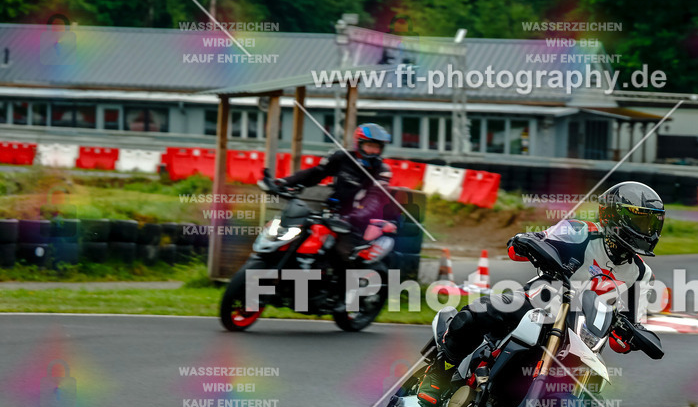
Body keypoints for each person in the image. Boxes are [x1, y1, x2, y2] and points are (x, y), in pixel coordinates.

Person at [431, 180, 666, 384]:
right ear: (616, 216)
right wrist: (529, 243)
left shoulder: (642, 274)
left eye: (653, 224)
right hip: (536, 305)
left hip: (582, 337)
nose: (649, 232)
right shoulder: (580, 231)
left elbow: (626, 334)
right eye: (642, 222)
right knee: (479, 312)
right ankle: (439, 372)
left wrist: (629, 336)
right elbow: (519, 248)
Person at [268, 123, 394, 309]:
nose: (373, 150)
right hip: (331, 213)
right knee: (298, 239)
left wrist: (354, 217)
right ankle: (287, 284)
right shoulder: (341, 157)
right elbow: (315, 174)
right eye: (369, 145)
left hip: (358, 222)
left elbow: (375, 199)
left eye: (377, 147)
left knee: (343, 253)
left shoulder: (382, 170)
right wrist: (284, 182)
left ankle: (345, 297)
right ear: (358, 143)